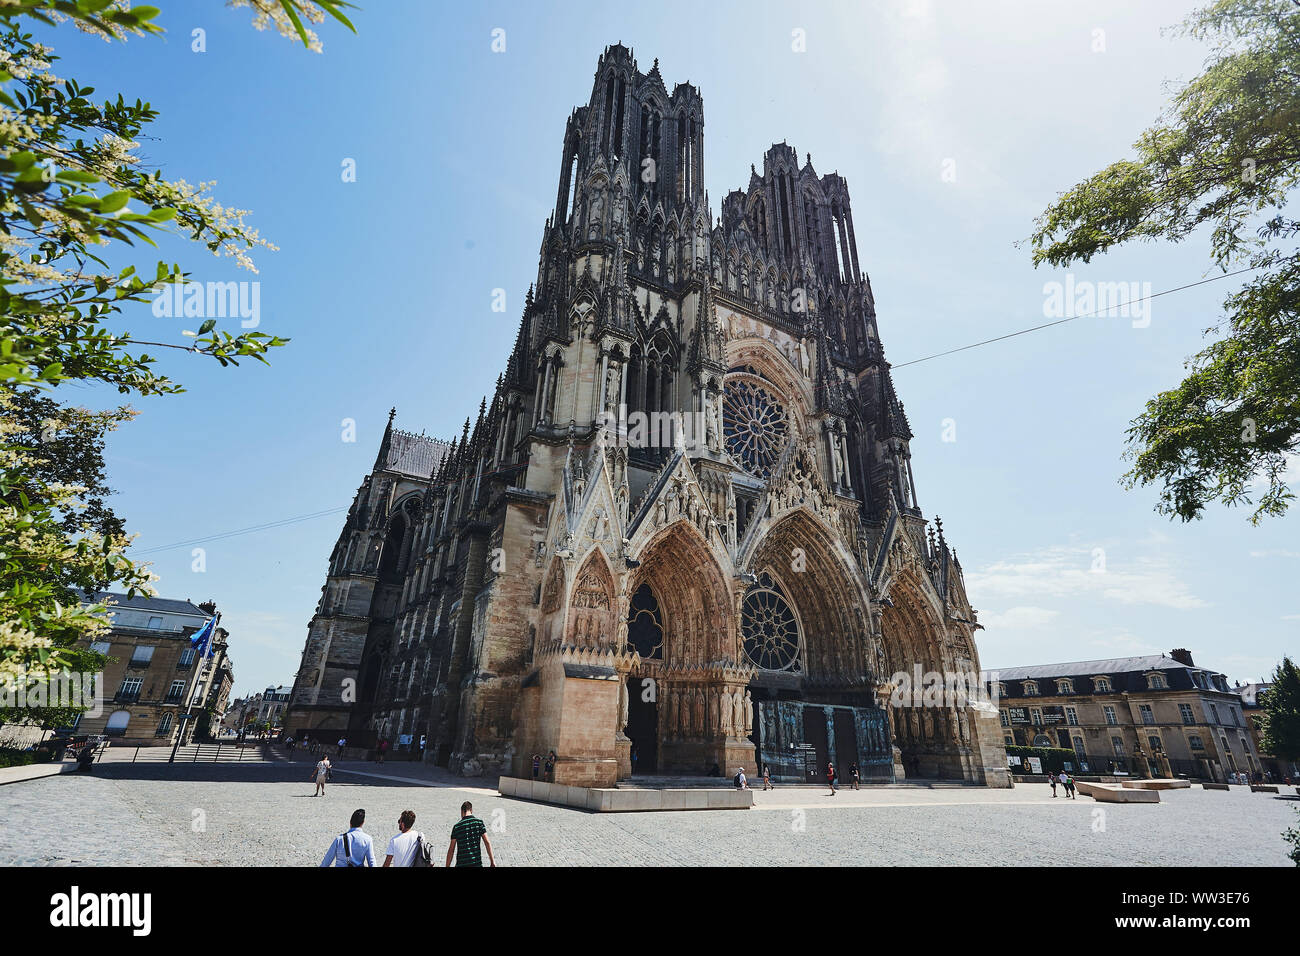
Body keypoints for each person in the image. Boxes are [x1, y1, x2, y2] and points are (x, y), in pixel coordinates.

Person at [446, 801, 495, 868]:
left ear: (462, 811)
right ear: (471, 810)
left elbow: (451, 850)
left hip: (461, 864)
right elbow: (487, 842)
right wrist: (492, 861)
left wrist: (447, 865)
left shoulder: (457, 827)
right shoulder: (479, 823)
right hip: (476, 864)